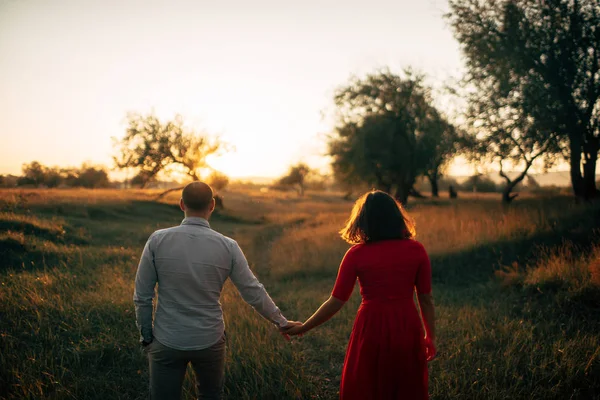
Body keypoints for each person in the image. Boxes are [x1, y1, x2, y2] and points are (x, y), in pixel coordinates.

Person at [134, 181, 299, 400]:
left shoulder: (157, 240)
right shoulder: (228, 246)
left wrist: (147, 337)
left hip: (167, 339)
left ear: (181, 204)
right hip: (210, 339)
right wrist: (281, 321)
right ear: (212, 205)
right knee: (211, 395)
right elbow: (252, 291)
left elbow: (142, 296)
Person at [282, 190, 436, 400]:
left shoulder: (356, 254)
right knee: (406, 384)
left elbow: (335, 301)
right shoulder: (417, 250)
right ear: (397, 217)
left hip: (371, 326)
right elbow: (426, 298)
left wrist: (304, 327)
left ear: (363, 220)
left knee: (368, 383)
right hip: (407, 324)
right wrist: (430, 337)